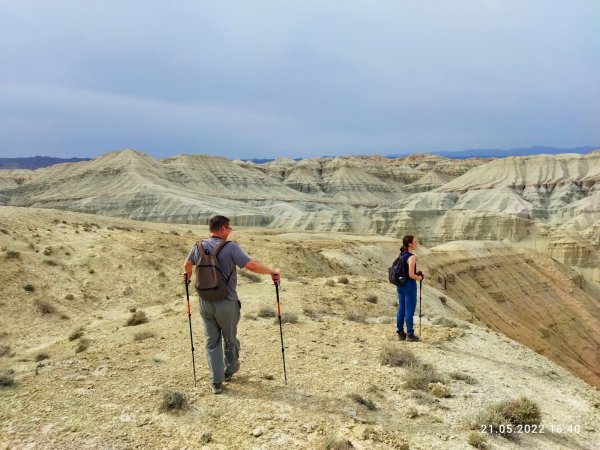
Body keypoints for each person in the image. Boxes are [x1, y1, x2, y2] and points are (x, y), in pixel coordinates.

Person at [182, 215, 280, 394]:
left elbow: (186, 266)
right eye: (229, 228)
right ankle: (229, 371)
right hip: (226, 302)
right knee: (230, 339)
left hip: (205, 302)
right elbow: (251, 265)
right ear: (222, 229)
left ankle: (216, 382)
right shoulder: (230, 247)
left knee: (211, 342)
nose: (230, 231)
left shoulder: (197, 247)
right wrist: (272, 272)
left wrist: (187, 277)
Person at [396, 235, 424, 342]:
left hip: (401, 284)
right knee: (409, 310)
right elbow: (411, 275)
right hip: (409, 286)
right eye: (415, 242)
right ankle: (410, 334)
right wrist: (420, 277)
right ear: (410, 244)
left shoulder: (402, 254)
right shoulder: (411, 257)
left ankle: (400, 332)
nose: (416, 243)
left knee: (401, 309)